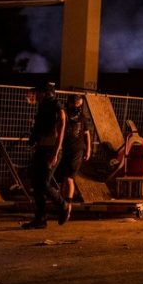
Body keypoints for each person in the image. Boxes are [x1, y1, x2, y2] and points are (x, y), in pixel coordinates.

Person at [22, 82, 70, 229]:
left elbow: (61, 131)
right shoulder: (43, 108)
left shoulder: (57, 107)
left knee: (44, 184)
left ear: (45, 93)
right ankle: (40, 219)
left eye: (38, 92)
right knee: (36, 185)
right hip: (42, 149)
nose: (35, 95)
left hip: (51, 150)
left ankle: (63, 205)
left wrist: (55, 153)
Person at [54, 94, 91, 223]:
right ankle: (63, 204)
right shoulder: (64, 115)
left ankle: (67, 207)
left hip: (77, 150)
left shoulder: (82, 117)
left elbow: (87, 134)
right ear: (70, 103)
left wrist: (88, 149)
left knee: (69, 177)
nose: (78, 108)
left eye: (80, 106)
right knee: (62, 178)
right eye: (76, 105)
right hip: (66, 150)